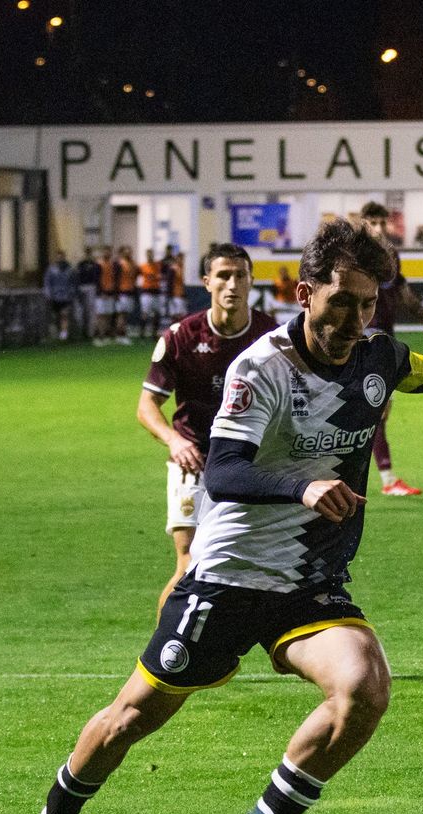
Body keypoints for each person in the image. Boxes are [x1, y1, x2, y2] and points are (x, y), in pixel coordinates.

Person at [17, 219, 423, 814]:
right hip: (227, 577)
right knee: (131, 720)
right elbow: (223, 471)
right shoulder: (263, 368)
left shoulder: (376, 357)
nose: (355, 319)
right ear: (306, 292)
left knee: (365, 687)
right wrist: (302, 486)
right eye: (342, 301)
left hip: (307, 584)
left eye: (368, 304)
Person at [138, 243, 278, 614]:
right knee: (188, 563)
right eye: (223, 276)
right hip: (195, 463)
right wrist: (173, 439)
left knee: (256, 565)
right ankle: (164, 660)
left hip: (252, 465)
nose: (232, 284)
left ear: (251, 282)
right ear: (207, 282)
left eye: (240, 276)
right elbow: (147, 405)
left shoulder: (273, 338)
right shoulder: (180, 337)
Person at [357, 201, 423, 497]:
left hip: (384, 340)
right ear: (363, 223)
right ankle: (385, 480)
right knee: (376, 408)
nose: (380, 227)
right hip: (364, 339)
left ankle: (382, 479)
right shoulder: (356, 256)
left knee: (375, 411)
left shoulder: (389, 257)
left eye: (383, 222)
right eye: (373, 221)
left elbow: (403, 293)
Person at [43, 250, 75, 341]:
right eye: (58, 257)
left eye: (62, 257)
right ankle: (56, 333)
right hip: (55, 297)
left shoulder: (70, 269)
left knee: (64, 314)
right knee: (55, 316)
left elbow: (73, 283)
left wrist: (71, 293)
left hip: (66, 296)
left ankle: (64, 333)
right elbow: (47, 283)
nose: (60, 258)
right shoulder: (51, 270)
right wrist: (48, 294)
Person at [137, 249, 164, 337]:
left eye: (151, 254)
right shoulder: (143, 266)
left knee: (156, 313)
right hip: (146, 292)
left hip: (156, 292)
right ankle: (142, 333)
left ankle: (154, 333)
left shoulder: (157, 265)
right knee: (145, 313)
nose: (150, 256)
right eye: (148, 254)